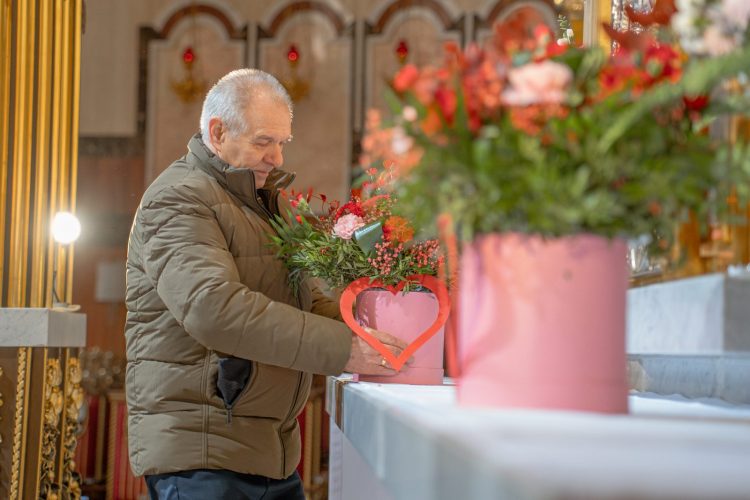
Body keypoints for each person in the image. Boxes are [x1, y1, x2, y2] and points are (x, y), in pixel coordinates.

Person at [125, 68, 408, 500]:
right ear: (218, 132)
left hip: (266, 453)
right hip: (204, 452)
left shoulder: (266, 205)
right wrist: (345, 349)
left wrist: (377, 331)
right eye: (263, 142)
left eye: (282, 142)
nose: (277, 157)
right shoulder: (179, 198)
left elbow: (305, 301)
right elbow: (214, 310)